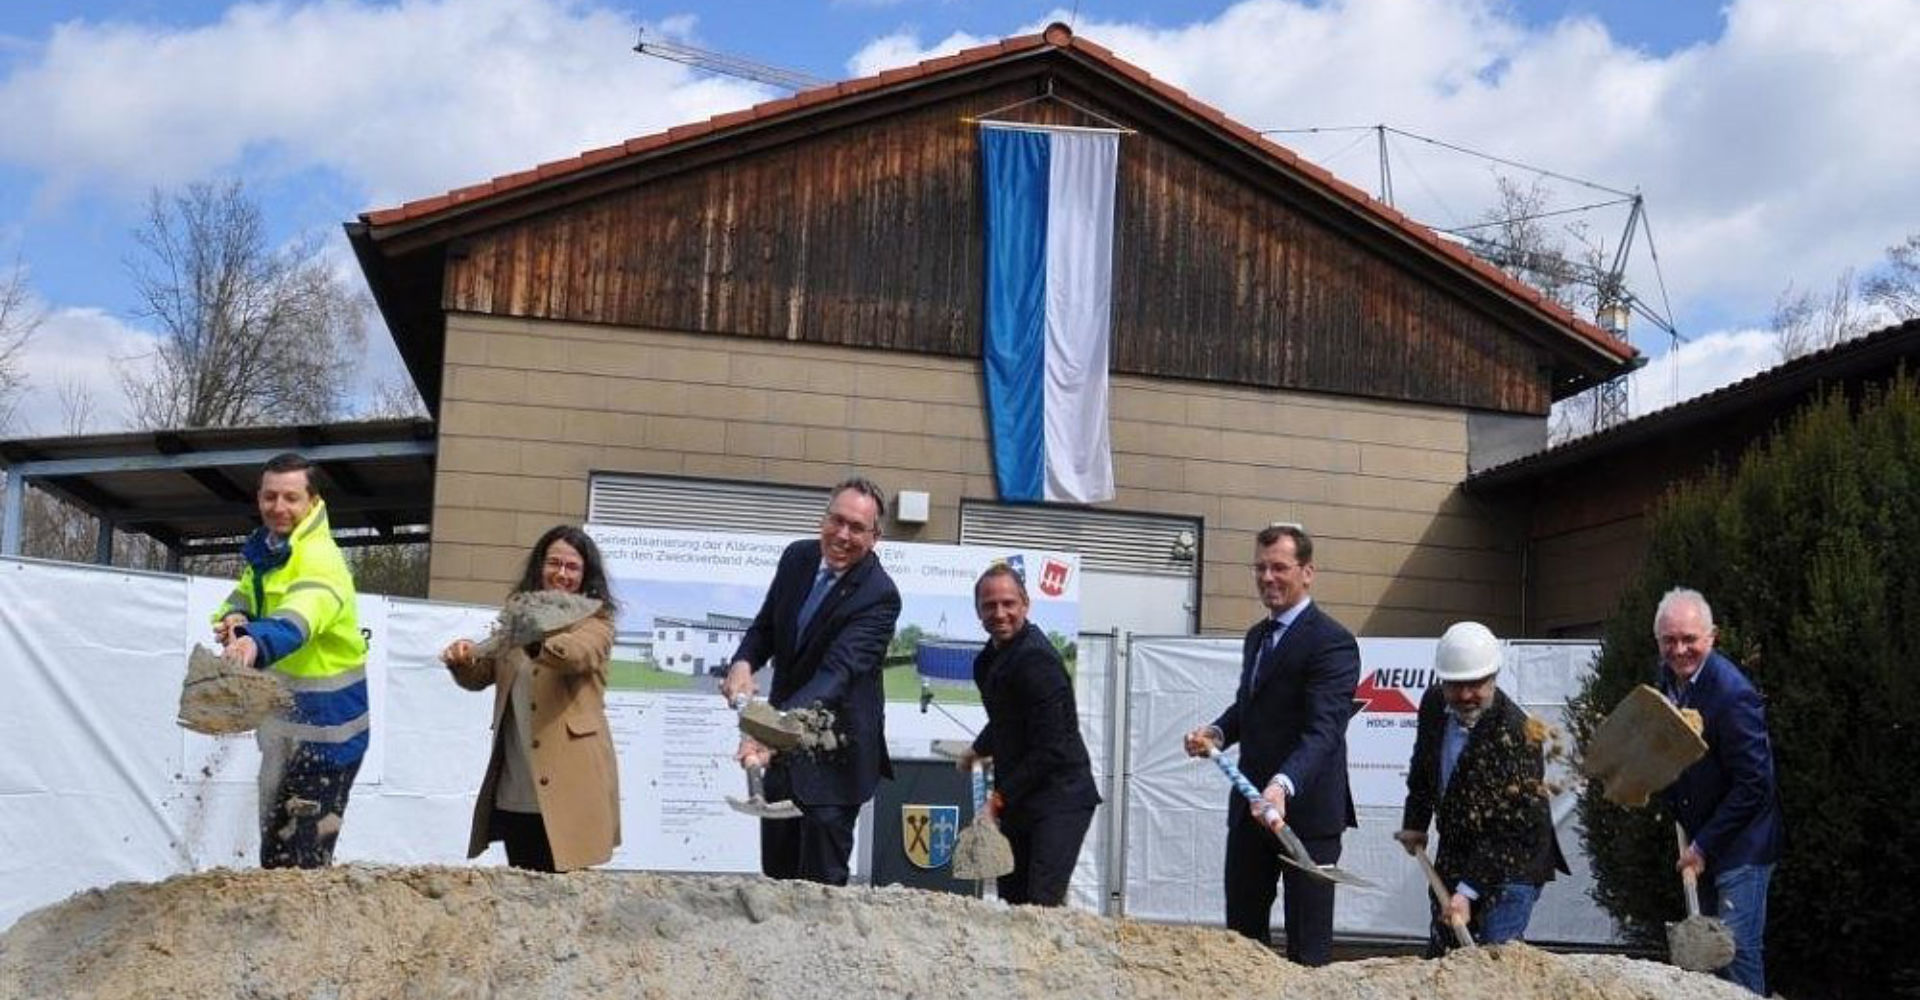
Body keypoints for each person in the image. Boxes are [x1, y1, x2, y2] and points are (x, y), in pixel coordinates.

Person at [1182, 524, 1359, 965]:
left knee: (1308, 948)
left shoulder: (1332, 643)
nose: (1267, 578)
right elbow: (1249, 708)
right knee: (1242, 943)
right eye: (1260, 568)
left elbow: (1324, 731)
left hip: (1307, 816)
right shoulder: (1256, 638)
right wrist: (1216, 734)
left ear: (1307, 572)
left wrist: (1283, 784)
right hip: (1250, 811)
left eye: (1279, 567)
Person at [721, 478, 902, 885]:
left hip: (836, 761)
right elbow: (766, 626)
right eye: (836, 520)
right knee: (778, 875)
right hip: (785, 758)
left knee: (820, 887)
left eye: (857, 528)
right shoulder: (797, 558)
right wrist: (743, 663)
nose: (842, 535)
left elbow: (836, 675)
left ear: (875, 537)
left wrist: (771, 730)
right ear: (823, 519)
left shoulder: (879, 595)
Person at [212, 452, 370, 869]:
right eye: (270, 497)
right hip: (283, 732)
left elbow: (299, 617)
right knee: (276, 852)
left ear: (312, 501)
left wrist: (253, 644)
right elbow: (244, 595)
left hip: (329, 741)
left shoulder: (320, 558)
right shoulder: (268, 552)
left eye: (291, 498)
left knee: (301, 859)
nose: (278, 508)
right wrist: (235, 618)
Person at [440, 525, 622, 873]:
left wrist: (537, 637)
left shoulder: (597, 622)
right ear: (540, 565)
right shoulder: (516, 616)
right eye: (554, 563)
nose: (562, 573)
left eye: (572, 567)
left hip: (571, 786)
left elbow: (575, 655)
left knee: (567, 899)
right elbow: (482, 675)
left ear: (585, 576)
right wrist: (463, 660)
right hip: (517, 785)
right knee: (525, 889)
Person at [1395, 621, 1567, 954]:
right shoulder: (1434, 704)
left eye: (1475, 685)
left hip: (1513, 861)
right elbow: (1422, 768)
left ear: (1494, 677)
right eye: (1454, 685)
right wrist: (1415, 824)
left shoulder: (1519, 734)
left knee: (1493, 961)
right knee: (1445, 956)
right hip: (1458, 846)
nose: (1464, 696)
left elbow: (1512, 828)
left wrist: (1466, 892)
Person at [1655, 588, 1783, 996]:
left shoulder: (1732, 694)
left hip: (1743, 844)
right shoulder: (1666, 682)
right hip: (1702, 836)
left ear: (1711, 637)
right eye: (1669, 640)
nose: (1679, 650)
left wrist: (1704, 846)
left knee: (1734, 951)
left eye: (1689, 639)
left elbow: (1755, 784)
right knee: (1706, 961)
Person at [958, 562, 1101, 906]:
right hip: (1020, 799)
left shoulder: (1037, 661)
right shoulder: (986, 662)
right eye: (989, 605)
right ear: (978, 611)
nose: (1000, 613)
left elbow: (1051, 747)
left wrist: (997, 799)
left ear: (1025, 604)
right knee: (1013, 901)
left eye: (1008, 603)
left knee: (1040, 905)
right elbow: (1008, 720)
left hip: (1060, 798)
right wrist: (977, 750)